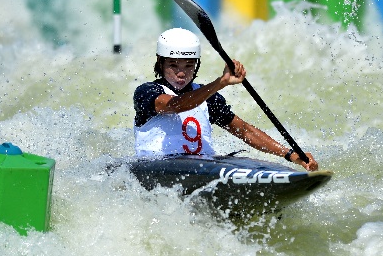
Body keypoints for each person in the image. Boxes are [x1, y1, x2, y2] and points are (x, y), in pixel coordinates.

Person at [133, 28, 318, 171]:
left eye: (189, 65)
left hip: (201, 168)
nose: (181, 73)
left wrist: (292, 155)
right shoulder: (147, 92)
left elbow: (245, 131)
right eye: (174, 65)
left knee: (249, 162)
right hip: (158, 168)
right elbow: (175, 105)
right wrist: (220, 82)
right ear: (160, 62)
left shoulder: (208, 98)